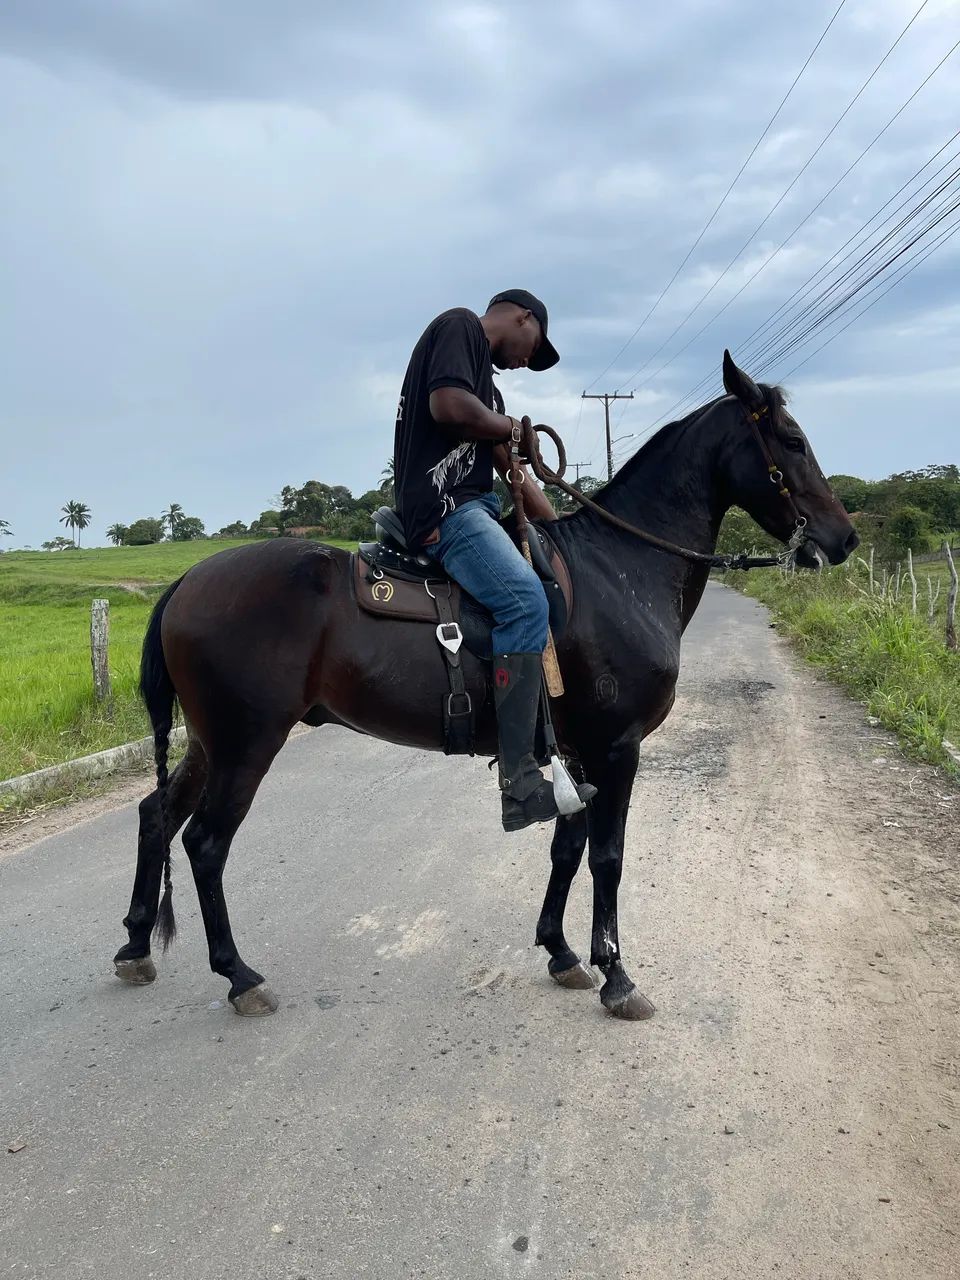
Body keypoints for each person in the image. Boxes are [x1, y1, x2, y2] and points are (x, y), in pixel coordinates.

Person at [393, 289, 596, 832]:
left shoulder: (494, 397)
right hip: (446, 511)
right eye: (535, 347)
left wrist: (562, 530)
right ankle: (521, 784)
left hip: (476, 507)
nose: (529, 360)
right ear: (521, 317)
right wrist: (512, 431)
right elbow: (448, 408)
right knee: (526, 603)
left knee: (548, 580)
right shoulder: (460, 328)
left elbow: (516, 474)